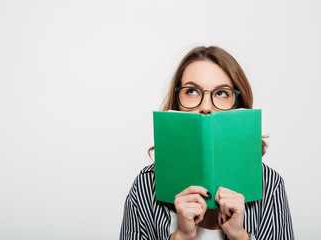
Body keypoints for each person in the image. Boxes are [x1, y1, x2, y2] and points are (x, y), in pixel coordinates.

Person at [120, 46, 294, 240]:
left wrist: (240, 236)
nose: (205, 106)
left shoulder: (270, 184)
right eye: (192, 91)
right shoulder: (145, 185)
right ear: (177, 102)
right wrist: (180, 237)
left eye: (221, 93)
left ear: (238, 105)